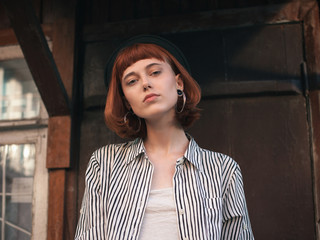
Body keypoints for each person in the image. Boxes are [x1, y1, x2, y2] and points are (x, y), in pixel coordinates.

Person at [74, 35, 254, 240]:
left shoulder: (223, 169)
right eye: (132, 81)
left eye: (155, 72)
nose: (145, 83)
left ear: (179, 83)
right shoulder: (105, 164)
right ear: (126, 101)